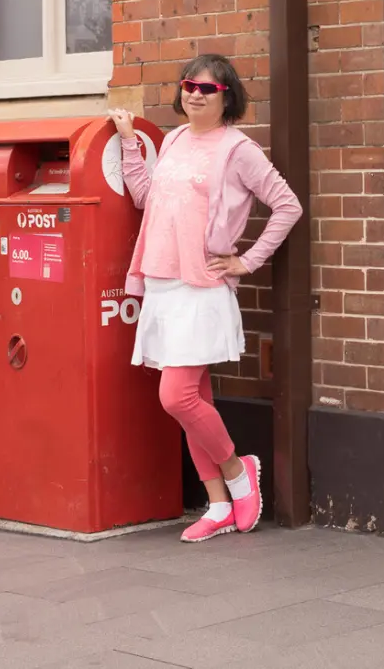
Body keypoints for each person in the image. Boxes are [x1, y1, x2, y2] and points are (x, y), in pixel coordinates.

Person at [108, 54, 303, 542]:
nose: (195, 93)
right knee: (195, 398)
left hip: (202, 287)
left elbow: (287, 205)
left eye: (207, 88)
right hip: (162, 283)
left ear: (227, 97)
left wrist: (247, 259)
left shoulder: (239, 150)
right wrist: (131, 144)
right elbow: (145, 197)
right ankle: (218, 504)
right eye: (189, 85)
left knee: (175, 396)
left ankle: (239, 472)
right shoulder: (172, 140)